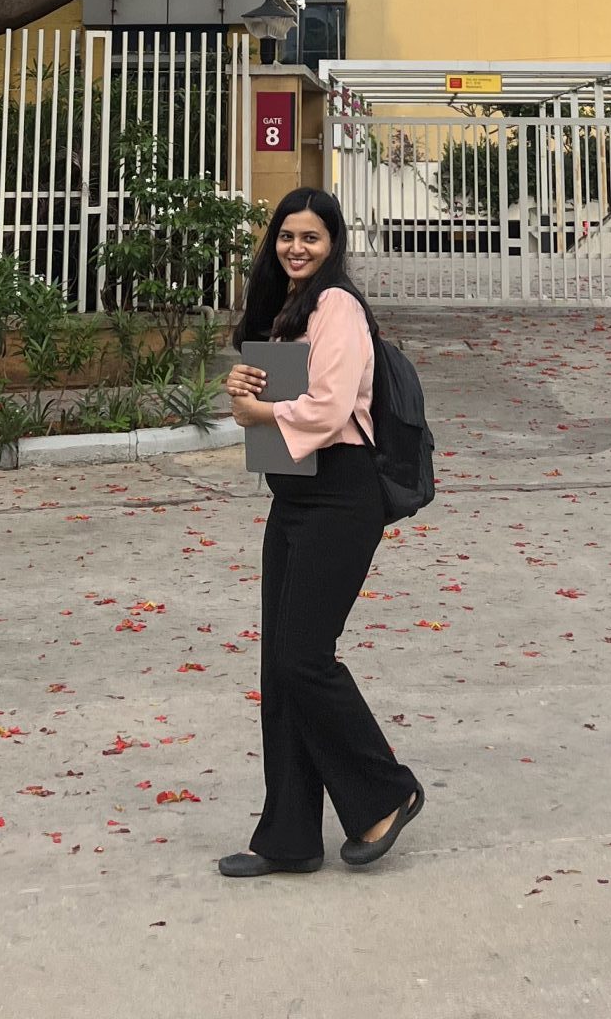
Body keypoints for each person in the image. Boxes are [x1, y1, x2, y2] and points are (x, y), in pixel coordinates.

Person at [218, 187, 424, 877]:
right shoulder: (287, 307)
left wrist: (256, 414)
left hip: (343, 494)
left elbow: (331, 407)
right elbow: (282, 400)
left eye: (310, 238)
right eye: (286, 237)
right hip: (296, 493)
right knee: (280, 665)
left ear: (333, 243)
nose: (296, 249)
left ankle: (386, 792)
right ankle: (289, 836)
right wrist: (249, 387)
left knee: (306, 657)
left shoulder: (338, 306)